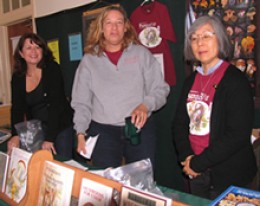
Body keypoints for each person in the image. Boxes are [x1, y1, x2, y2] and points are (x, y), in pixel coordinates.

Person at [71, 5, 169, 169]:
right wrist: (80, 133)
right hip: (103, 133)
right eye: (109, 23)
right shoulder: (89, 61)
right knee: (107, 187)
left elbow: (161, 89)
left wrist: (146, 105)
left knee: (141, 185)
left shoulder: (141, 54)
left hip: (139, 129)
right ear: (101, 28)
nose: (114, 27)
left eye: (119, 22)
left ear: (125, 27)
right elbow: (81, 102)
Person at [172, 15, 257, 200]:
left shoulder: (236, 81)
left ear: (220, 38)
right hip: (196, 173)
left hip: (229, 175)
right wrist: (187, 158)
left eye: (206, 36)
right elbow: (179, 124)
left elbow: (236, 135)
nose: (200, 43)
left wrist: (198, 163)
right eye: (194, 38)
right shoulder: (190, 82)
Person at [7, 33, 75, 159]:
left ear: (43, 51)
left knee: (62, 164)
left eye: (38, 47)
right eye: (28, 48)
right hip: (38, 128)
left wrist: (50, 139)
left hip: (61, 125)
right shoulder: (18, 77)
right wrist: (15, 135)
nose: (33, 51)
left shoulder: (52, 69)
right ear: (21, 53)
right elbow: (17, 108)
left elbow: (56, 105)